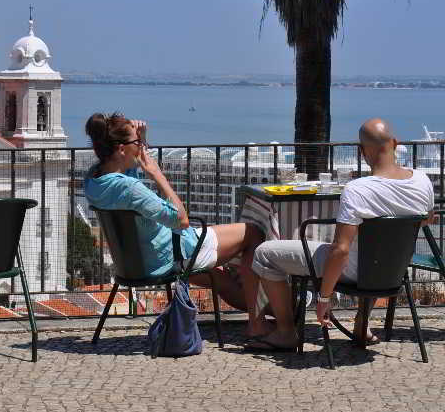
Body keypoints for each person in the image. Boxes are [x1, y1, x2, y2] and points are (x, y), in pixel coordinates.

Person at [248, 118, 435, 351]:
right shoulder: (422, 181)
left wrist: (323, 298)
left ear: (362, 150)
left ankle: (286, 331)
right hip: (394, 269)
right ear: (395, 143)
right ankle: (361, 324)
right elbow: (427, 219)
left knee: (264, 253)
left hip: (355, 271)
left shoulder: (358, 190)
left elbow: (341, 250)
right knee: (377, 254)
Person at [83, 112, 265, 333]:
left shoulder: (94, 180)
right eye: (136, 142)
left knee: (222, 280)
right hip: (172, 255)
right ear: (121, 149)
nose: (140, 145)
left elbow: (127, 169)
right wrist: (158, 175)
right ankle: (259, 324)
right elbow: (182, 220)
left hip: (139, 261)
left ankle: (276, 314)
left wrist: (140, 137)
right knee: (253, 232)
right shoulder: (129, 189)